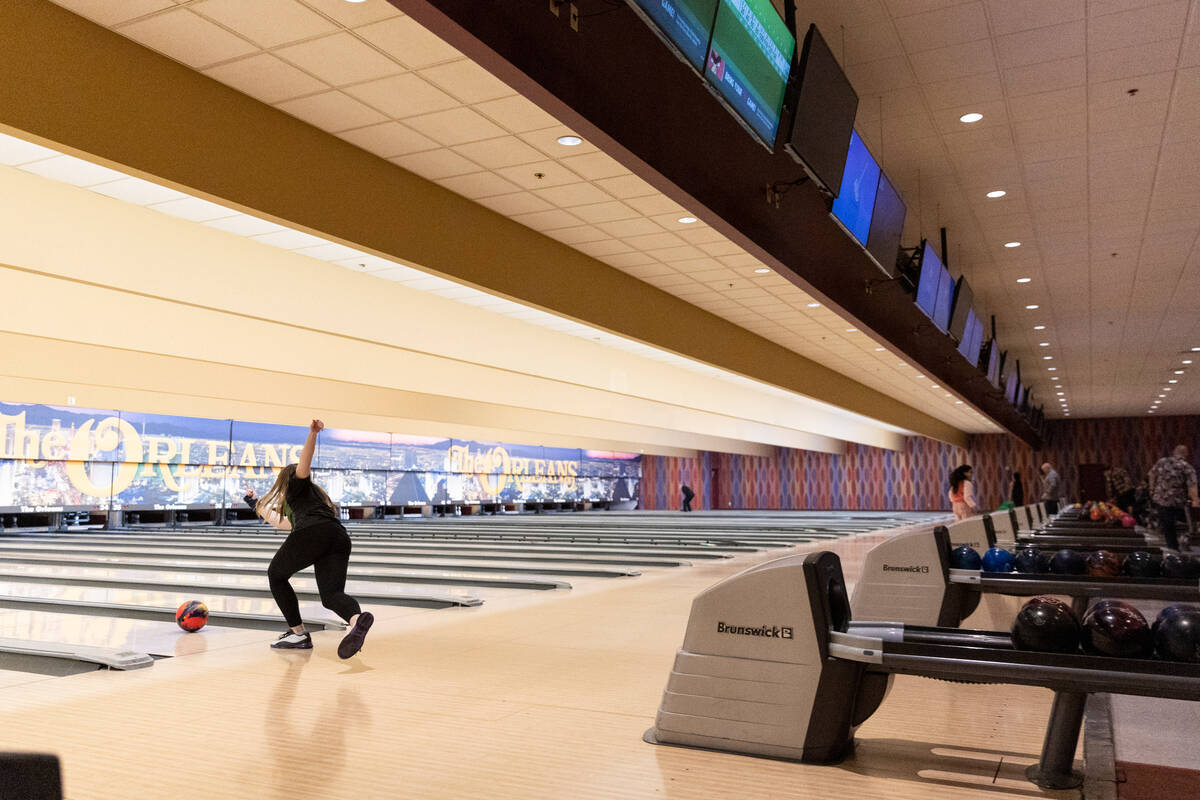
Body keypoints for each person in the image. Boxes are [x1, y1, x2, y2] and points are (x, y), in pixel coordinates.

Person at [244, 419, 373, 658]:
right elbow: (283, 524)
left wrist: (312, 434)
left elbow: (304, 464)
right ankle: (356, 621)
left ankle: (298, 634)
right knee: (331, 596)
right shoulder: (310, 500)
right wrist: (254, 503)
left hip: (315, 533)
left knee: (276, 575)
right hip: (338, 536)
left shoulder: (297, 485)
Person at [1149, 445, 1199, 551]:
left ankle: (1172, 547)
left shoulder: (1161, 462)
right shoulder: (1186, 466)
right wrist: (1195, 500)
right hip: (1177, 500)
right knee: (1184, 521)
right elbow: (1192, 485)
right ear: (1186, 454)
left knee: (1168, 525)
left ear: (1174, 452)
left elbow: (1152, 475)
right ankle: (1182, 543)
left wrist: (1152, 490)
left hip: (1161, 498)